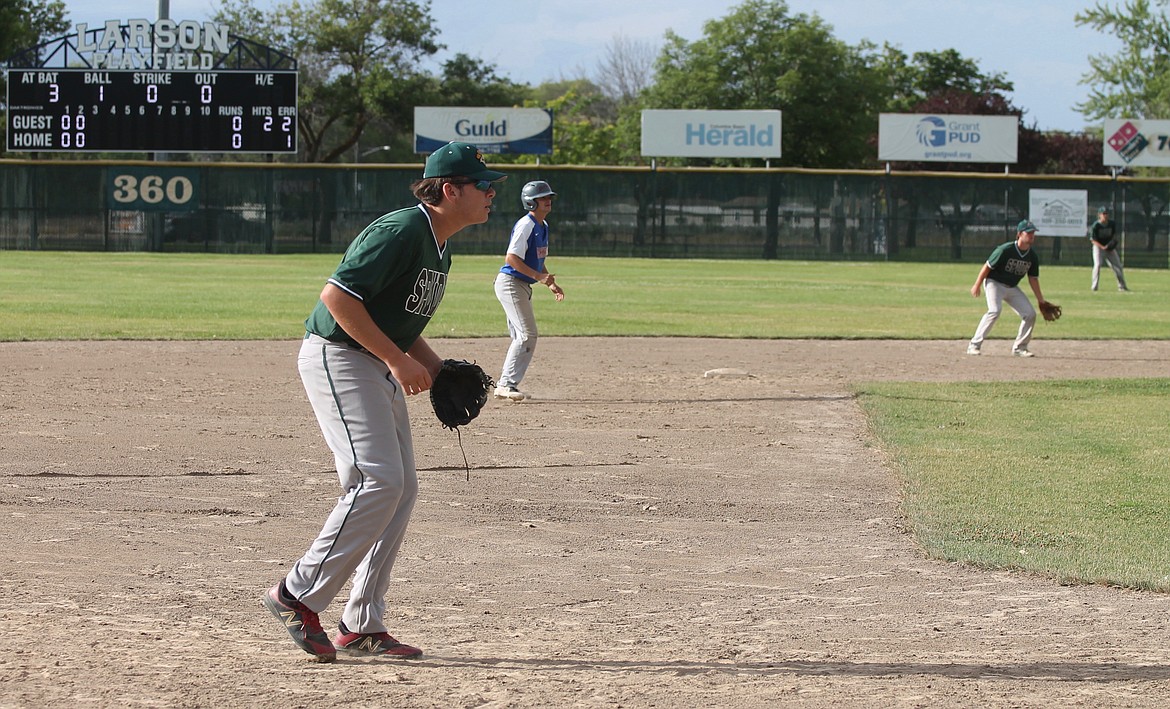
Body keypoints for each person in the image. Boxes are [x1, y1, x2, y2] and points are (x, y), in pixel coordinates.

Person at [262, 142, 505, 662]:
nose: (491, 194)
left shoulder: (440, 243)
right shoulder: (400, 230)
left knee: (402, 488)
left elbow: (395, 318)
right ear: (449, 189)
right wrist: (397, 362)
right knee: (380, 480)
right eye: (484, 186)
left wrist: (435, 368)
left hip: (371, 360)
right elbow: (338, 299)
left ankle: (361, 624)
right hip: (339, 357)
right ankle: (295, 594)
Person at [492, 180, 565, 401]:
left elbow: (538, 259)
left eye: (549, 197)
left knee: (520, 335)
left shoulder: (543, 226)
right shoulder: (527, 225)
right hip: (511, 283)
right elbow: (511, 258)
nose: (548, 201)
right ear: (530, 202)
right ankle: (506, 384)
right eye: (543, 198)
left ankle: (506, 384)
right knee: (527, 334)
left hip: (521, 285)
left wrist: (548, 281)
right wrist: (538, 276)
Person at [966, 220, 1054, 358]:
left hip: (1012, 287)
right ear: (1019, 234)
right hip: (994, 283)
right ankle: (974, 345)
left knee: (1030, 314)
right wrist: (977, 284)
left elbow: (1033, 279)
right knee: (994, 310)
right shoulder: (1005, 250)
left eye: (1033, 233)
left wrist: (1040, 300)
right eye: (1028, 232)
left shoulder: (1032, 256)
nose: (1031, 235)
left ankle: (1020, 347)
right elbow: (987, 266)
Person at [1089, 206, 1130, 291]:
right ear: (1099, 215)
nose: (1105, 215)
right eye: (1104, 214)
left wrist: (1111, 244)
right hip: (1098, 248)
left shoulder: (1112, 224)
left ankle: (1122, 286)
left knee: (1118, 266)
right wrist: (1102, 247)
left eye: (1107, 213)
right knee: (1098, 265)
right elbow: (1093, 240)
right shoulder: (1096, 226)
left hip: (1109, 248)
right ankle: (1094, 286)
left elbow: (1114, 236)